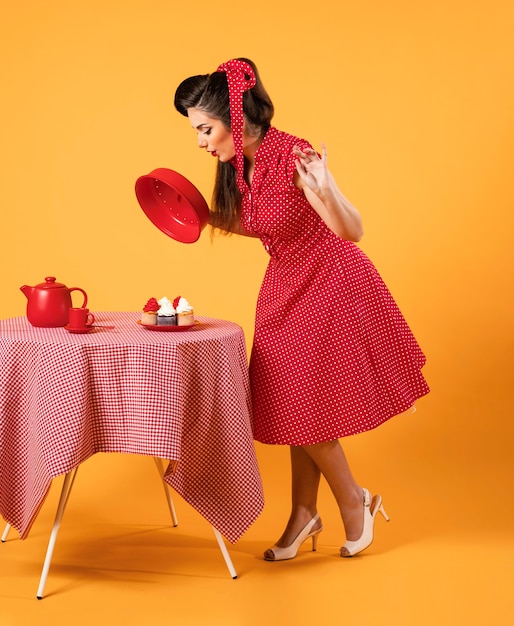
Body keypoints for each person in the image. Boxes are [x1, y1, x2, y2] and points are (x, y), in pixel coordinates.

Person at [173, 58, 430, 560]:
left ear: (235, 117)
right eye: (196, 132)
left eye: (205, 129)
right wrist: (207, 218)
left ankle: (354, 501)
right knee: (294, 400)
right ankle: (303, 514)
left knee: (303, 401)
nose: (201, 142)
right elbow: (268, 226)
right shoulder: (238, 166)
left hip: (329, 282)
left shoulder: (295, 154)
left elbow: (351, 231)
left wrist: (326, 187)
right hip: (284, 283)